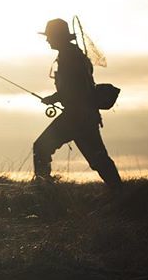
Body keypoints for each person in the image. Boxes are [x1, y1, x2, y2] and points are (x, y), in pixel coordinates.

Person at [33, 18, 122, 189]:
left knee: (41, 147)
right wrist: (58, 97)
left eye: (50, 36)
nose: (47, 40)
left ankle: (43, 190)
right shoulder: (73, 54)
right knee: (99, 158)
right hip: (85, 115)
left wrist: (54, 98)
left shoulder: (69, 56)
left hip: (76, 116)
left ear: (58, 37)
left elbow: (74, 89)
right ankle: (120, 191)